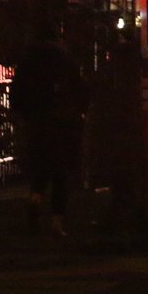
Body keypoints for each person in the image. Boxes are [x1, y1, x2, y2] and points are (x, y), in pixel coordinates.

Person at [10, 21, 90, 236]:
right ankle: (57, 222)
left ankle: (35, 202)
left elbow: (17, 93)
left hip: (37, 122)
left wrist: (22, 115)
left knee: (41, 169)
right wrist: (78, 112)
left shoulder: (28, 62)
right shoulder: (65, 62)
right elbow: (81, 90)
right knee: (60, 174)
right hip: (63, 124)